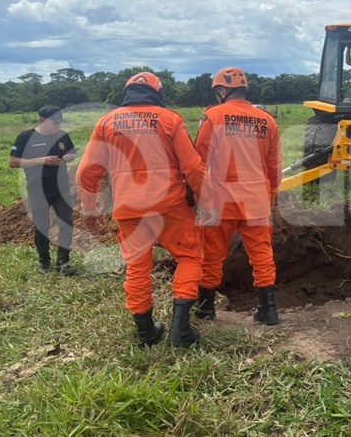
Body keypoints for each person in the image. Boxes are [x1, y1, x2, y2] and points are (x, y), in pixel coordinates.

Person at [76, 72, 213, 348]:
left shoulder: (106, 123)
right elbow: (193, 166)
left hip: (129, 208)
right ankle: (181, 329)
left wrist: (89, 210)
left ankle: (146, 332)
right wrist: (206, 199)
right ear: (158, 94)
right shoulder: (170, 119)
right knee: (189, 257)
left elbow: (87, 172)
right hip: (171, 206)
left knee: (137, 267)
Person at [194, 67, 283, 325]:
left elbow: (199, 159)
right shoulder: (267, 120)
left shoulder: (213, 116)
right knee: (262, 255)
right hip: (256, 200)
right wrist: (272, 192)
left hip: (220, 201)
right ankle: (268, 311)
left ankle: (205, 309)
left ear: (222, 91)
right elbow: (274, 166)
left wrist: (197, 194)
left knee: (211, 255)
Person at [9, 105, 78, 276]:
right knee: (41, 226)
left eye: (59, 123)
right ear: (42, 120)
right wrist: (42, 160)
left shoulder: (62, 136)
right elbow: (13, 162)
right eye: (54, 123)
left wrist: (70, 157)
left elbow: (70, 153)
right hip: (38, 189)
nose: (58, 126)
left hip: (61, 188)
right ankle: (44, 262)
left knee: (67, 223)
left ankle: (63, 262)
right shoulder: (26, 137)